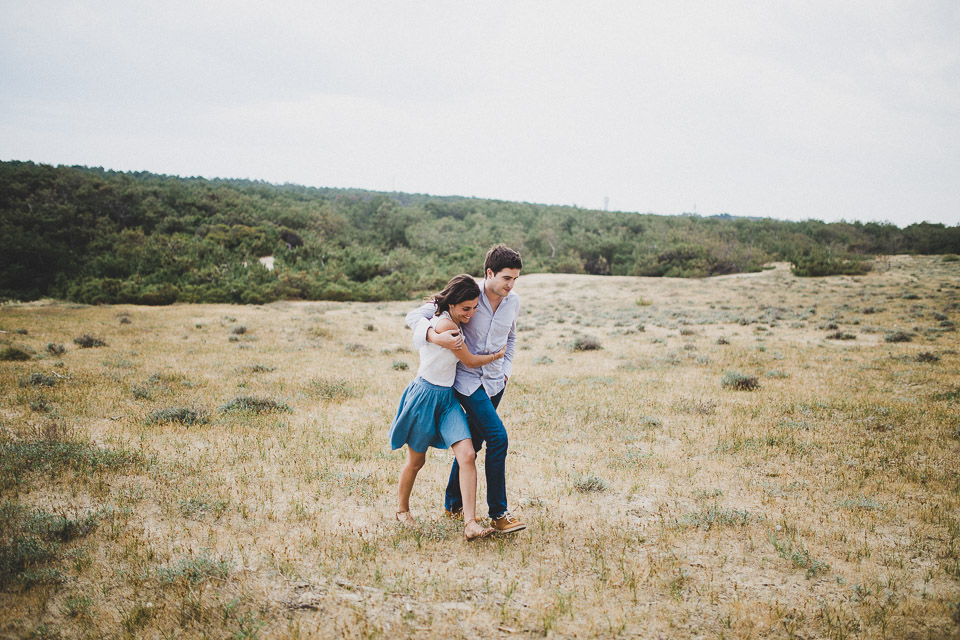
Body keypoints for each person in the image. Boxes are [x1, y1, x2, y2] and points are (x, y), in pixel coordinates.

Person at [405, 244, 525, 533]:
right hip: (468, 382)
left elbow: (511, 337)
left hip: (496, 380)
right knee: (498, 438)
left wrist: (506, 371)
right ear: (490, 273)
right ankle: (499, 513)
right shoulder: (468, 294)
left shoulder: (513, 302)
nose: (510, 285)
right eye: (506, 278)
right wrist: (435, 336)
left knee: (475, 442)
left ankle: (453, 503)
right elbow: (414, 316)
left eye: (515, 279)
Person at [389, 274, 502, 541]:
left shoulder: (443, 316)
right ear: (452, 303)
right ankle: (402, 510)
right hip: (425, 397)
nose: (472, 314)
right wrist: (498, 355)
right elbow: (472, 361)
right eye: (466, 308)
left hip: (447, 399)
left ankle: (471, 524)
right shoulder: (446, 328)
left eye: (475, 308)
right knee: (416, 462)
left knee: (467, 455)